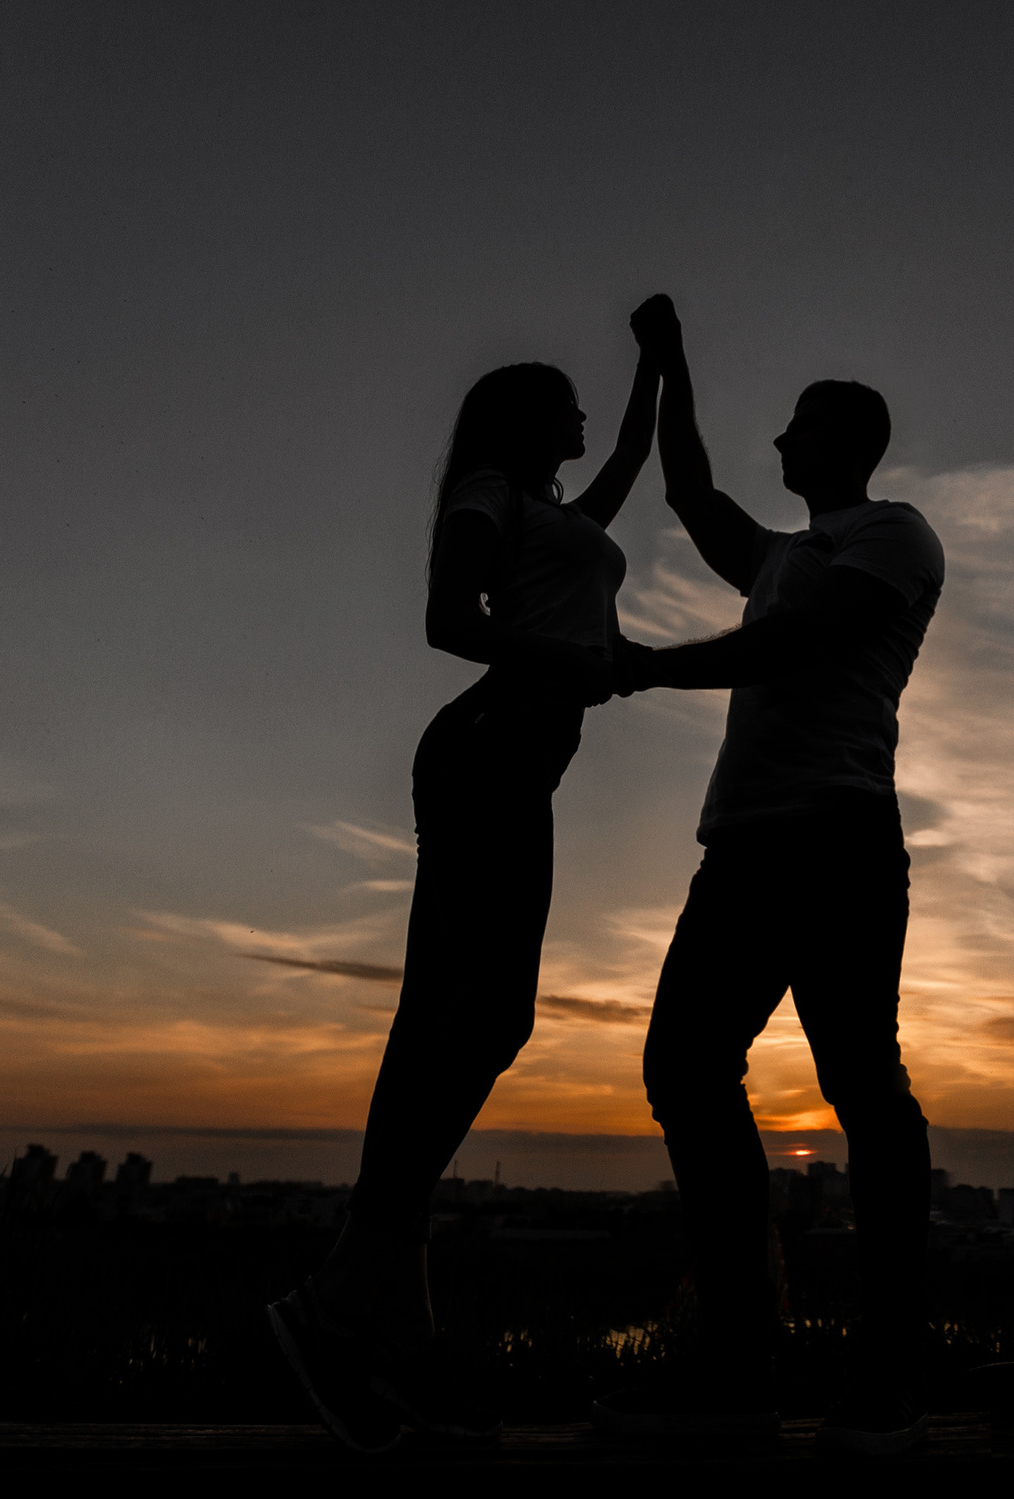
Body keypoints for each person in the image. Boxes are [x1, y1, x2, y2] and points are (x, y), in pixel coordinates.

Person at [267, 332, 659, 1453]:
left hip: (517, 759)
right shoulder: (490, 492)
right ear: (528, 420)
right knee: (489, 1018)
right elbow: (447, 619)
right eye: (568, 411)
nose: (584, 429)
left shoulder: (560, 511)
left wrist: (658, 358)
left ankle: (390, 1316)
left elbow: (626, 454)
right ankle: (345, 1296)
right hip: (490, 748)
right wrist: (571, 663)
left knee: (442, 1024)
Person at [596, 294, 943, 1456]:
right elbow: (690, 492)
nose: (779, 443)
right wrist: (669, 361)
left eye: (796, 428)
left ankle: (891, 1364)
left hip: (835, 840)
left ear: (838, 442)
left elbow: (794, 642)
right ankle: (745, 1363)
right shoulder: (781, 554)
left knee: (862, 1090)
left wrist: (646, 667)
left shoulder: (891, 536)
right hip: (742, 848)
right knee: (684, 1068)